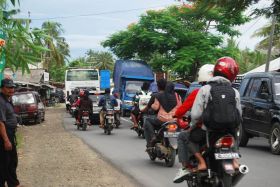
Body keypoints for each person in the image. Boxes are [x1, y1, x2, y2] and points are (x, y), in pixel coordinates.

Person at [190, 57, 241, 174]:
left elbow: (195, 115)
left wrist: (192, 127)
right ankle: (235, 160)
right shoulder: (235, 92)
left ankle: (201, 162)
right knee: (235, 136)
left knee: (187, 138)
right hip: (229, 131)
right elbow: (239, 116)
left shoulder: (205, 89)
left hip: (208, 131)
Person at [173, 64, 214, 183]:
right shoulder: (228, 91)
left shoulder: (199, 92)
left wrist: (176, 115)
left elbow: (185, 110)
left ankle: (185, 167)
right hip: (225, 130)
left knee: (183, 136)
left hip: (204, 130)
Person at [144, 81, 182, 148]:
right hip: (174, 120)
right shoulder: (178, 96)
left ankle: (153, 137)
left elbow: (155, 108)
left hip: (162, 120)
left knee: (147, 120)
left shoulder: (159, 95)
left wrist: (151, 105)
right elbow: (180, 107)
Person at [0, 78, 22, 187]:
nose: (11, 90)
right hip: (4, 135)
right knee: (6, 163)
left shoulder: (7, 100)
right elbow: (0, 123)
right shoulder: (1, 101)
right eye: (8, 88)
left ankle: (13, 183)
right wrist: (6, 140)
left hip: (10, 133)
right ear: (2, 88)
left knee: (11, 161)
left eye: (12, 87)